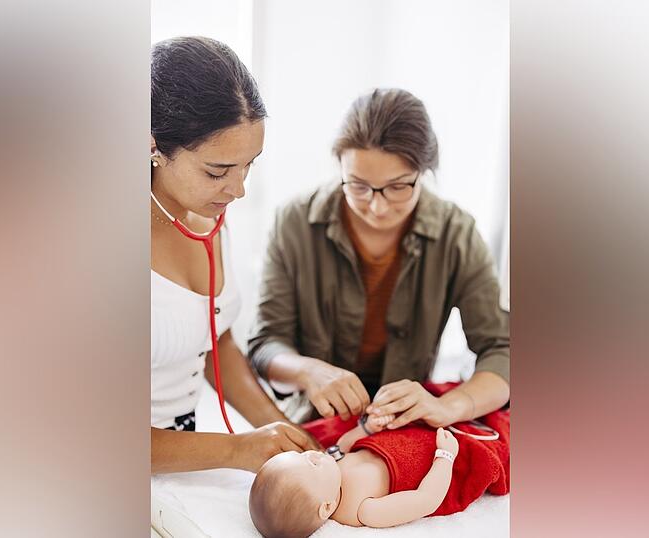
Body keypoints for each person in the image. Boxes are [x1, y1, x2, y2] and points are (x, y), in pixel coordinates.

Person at [248, 88, 510, 432]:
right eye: (358, 186)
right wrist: (307, 371)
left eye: (399, 187)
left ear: (424, 171)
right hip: (313, 419)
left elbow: (501, 348)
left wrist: (449, 406)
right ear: (339, 168)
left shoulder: (456, 233)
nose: (377, 206)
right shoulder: (294, 223)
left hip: (403, 424)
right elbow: (266, 344)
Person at [150, 36, 318, 475]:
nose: (238, 189)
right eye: (217, 171)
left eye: (249, 164)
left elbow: (215, 341)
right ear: (151, 146)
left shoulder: (208, 214)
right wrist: (237, 450)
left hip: (184, 455)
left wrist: (282, 433)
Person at [248, 408, 510, 536]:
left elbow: (344, 445)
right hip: (436, 454)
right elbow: (426, 500)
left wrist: (367, 429)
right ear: (326, 507)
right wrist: (445, 456)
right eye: (311, 463)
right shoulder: (363, 510)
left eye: (302, 454)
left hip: (405, 435)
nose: (313, 453)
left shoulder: (331, 468)